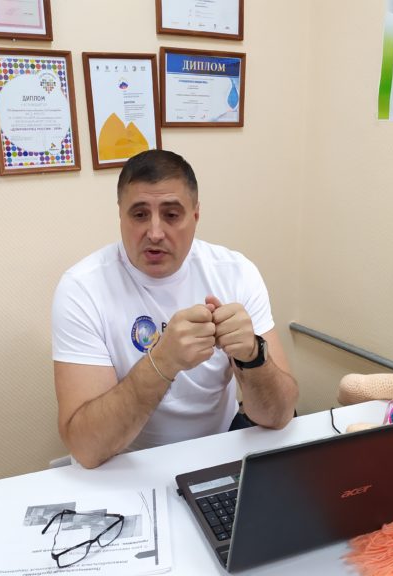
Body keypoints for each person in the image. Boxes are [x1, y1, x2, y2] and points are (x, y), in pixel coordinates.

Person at [52, 149, 298, 468]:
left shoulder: (235, 273)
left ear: (195, 215)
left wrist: (253, 355)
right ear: (120, 215)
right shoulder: (82, 288)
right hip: (125, 462)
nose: (155, 233)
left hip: (219, 446)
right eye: (139, 214)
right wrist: (162, 362)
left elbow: (279, 416)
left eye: (171, 215)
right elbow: (87, 448)